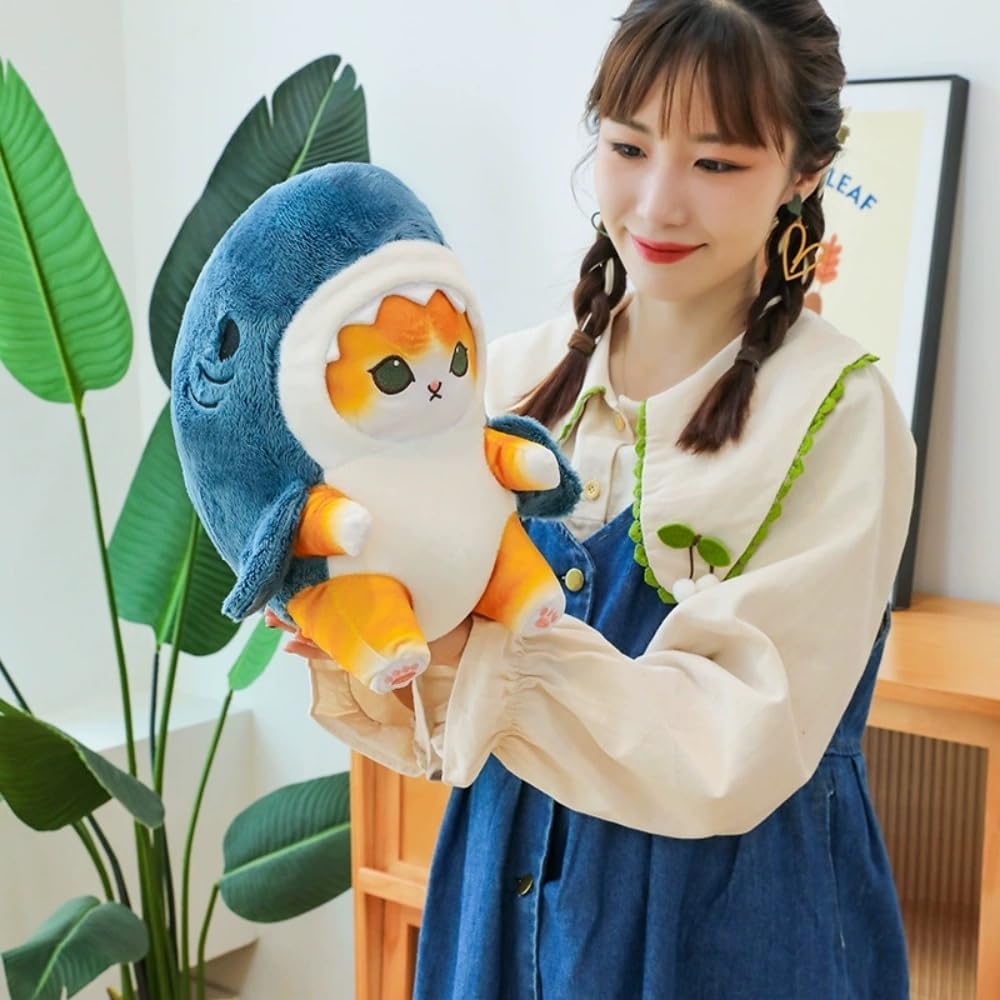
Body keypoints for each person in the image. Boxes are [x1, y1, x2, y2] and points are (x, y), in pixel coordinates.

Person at [277, 0, 917, 995]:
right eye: (628, 147)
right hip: (499, 896)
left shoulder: (836, 411)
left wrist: (479, 661)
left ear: (805, 172)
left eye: (716, 163)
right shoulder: (504, 377)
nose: (657, 204)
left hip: (730, 926)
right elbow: (437, 705)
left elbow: (730, 743)